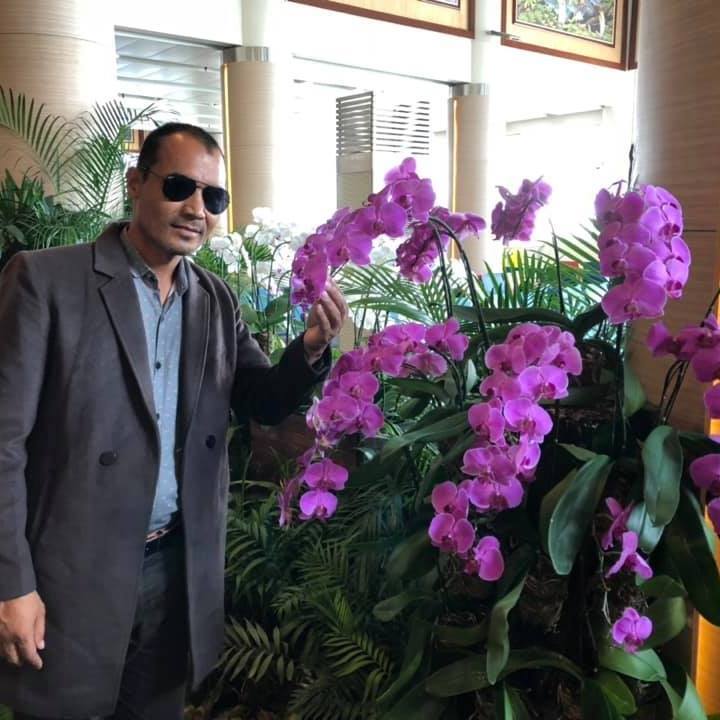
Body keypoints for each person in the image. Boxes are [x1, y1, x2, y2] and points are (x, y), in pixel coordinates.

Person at [0, 122, 347, 719]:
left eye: (214, 197)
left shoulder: (214, 299)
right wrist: (11, 583)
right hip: (70, 570)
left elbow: (261, 401)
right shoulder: (45, 279)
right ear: (136, 183)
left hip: (174, 567)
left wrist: (310, 350)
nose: (196, 209)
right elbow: (4, 443)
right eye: (180, 186)